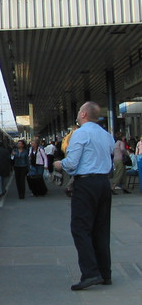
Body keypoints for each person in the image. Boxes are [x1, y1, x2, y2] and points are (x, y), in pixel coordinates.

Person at [53, 101, 115, 291]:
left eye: (79, 110)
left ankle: (90, 273)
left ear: (84, 115)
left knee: (80, 228)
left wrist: (59, 165)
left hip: (86, 184)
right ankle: (105, 274)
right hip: (104, 183)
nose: (78, 113)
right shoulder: (106, 135)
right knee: (101, 229)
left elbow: (72, 163)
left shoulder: (80, 134)